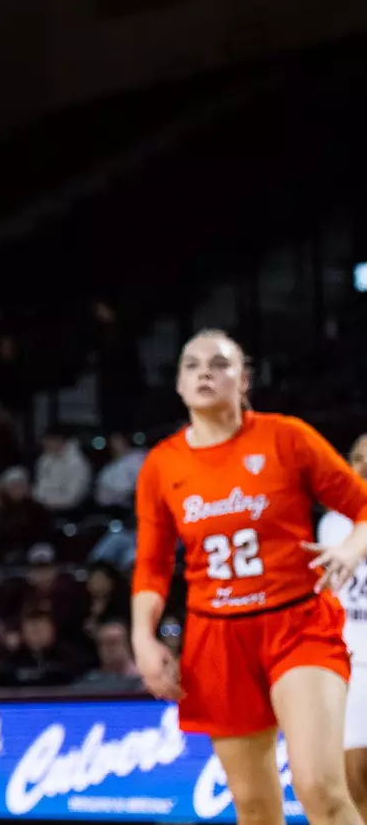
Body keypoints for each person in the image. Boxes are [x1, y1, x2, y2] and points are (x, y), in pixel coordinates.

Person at [133, 330, 367, 825]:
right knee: (255, 806)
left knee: (319, 788)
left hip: (298, 623)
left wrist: (350, 547)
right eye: (191, 365)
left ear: (243, 380)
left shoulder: (288, 437)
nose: (204, 373)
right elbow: (152, 565)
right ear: (178, 384)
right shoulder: (162, 465)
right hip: (217, 637)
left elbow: (363, 506)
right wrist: (142, 636)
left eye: (218, 364)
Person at [317, 432, 367, 820]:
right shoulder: (332, 524)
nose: (363, 466)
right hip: (351, 663)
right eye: (357, 458)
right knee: (353, 777)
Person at [32, 427, 92, 513]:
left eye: (47, 440)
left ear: (58, 440)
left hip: (68, 513)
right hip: (43, 510)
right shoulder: (44, 459)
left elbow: (71, 498)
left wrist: (41, 500)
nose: (43, 443)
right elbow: (40, 486)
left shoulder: (77, 464)